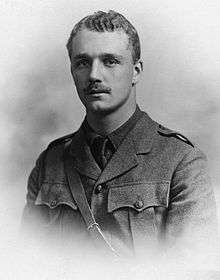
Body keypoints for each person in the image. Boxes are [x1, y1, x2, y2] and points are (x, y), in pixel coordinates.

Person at [22, 10, 218, 258]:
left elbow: (192, 269)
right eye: (82, 62)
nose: (94, 75)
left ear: (136, 71)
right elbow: (26, 262)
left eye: (110, 61)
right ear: (72, 70)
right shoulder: (49, 163)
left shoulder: (182, 162)